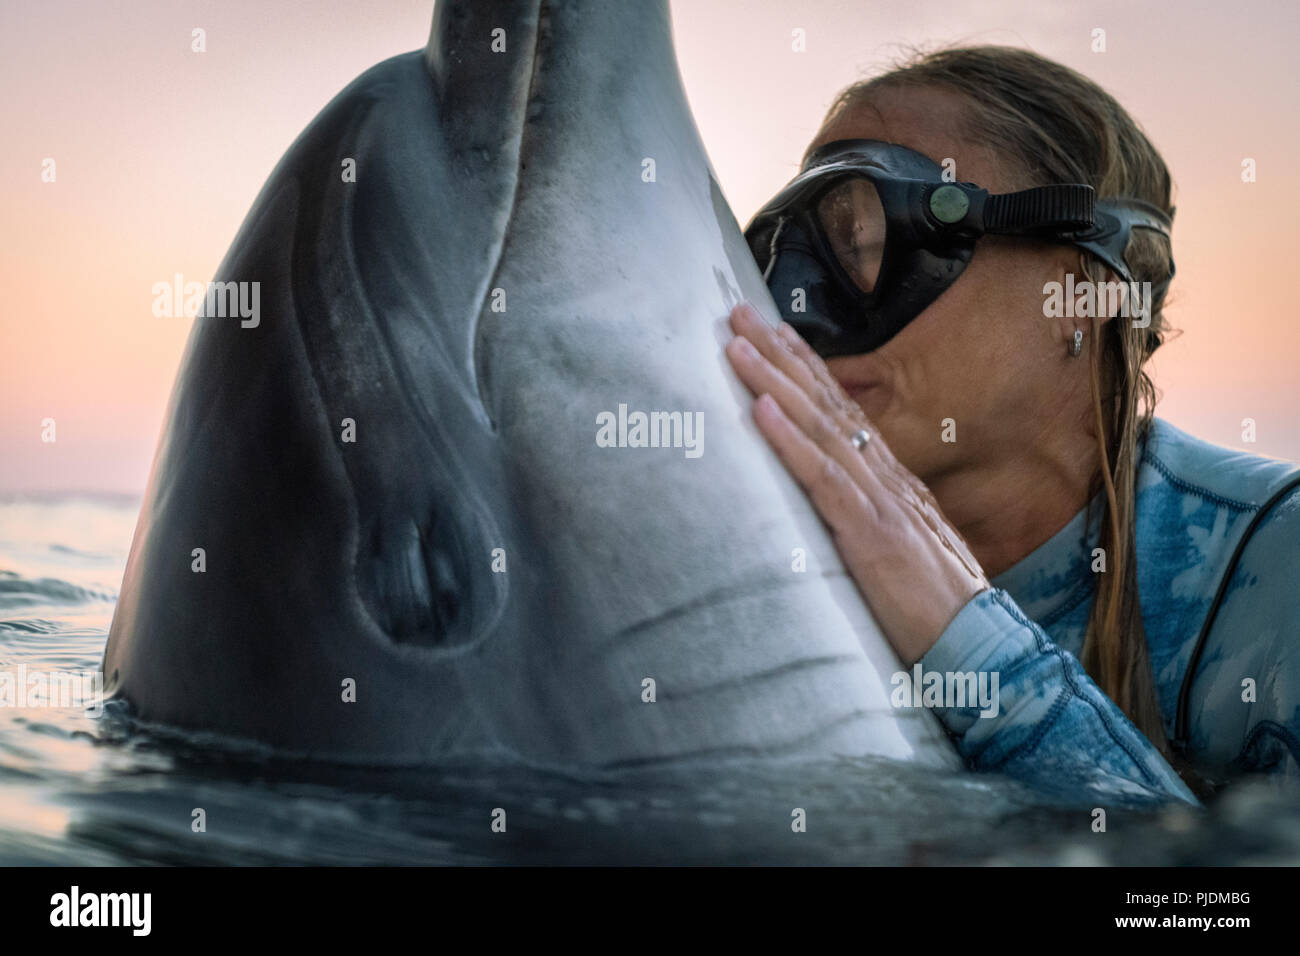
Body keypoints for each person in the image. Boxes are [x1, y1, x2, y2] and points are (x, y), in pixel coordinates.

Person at [725, 46, 1300, 805]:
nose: (797, 307)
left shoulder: (1277, 569)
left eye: (863, 240)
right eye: (779, 254)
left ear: (1084, 292)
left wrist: (973, 648)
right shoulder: (774, 567)